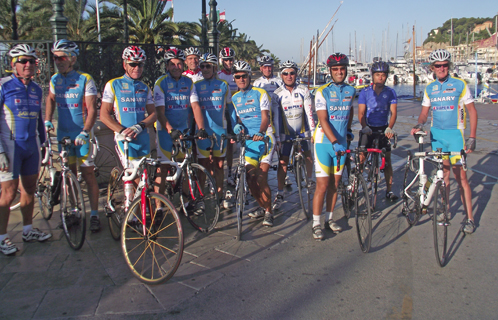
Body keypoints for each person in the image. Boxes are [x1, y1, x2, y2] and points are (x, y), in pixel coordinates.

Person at [410, 49, 478, 234]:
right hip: (437, 136)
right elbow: (425, 112)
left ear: (449, 66)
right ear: (432, 67)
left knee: (461, 177)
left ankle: (470, 218)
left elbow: (472, 112)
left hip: (455, 136)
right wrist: (419, 124)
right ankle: (445, 210)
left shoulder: (459, 84)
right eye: (438, 66)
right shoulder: (430, 88)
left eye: (445, 65)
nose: (442, 68)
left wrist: (472, 138)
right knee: (444, 176)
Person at [45, 40, 100, 232]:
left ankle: (94, 214)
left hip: (81, 133)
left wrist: (86, 131)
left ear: (73, 59)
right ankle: (75, 211)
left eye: (62, 57)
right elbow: (50, 99)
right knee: (69, 175)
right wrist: (48, 119)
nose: (58, 61)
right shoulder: (54, 79)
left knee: (88, 174)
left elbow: (92, 108)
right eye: (55, 57)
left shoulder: (85, 78)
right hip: (63, 134)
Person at [0, 44, 51, 255]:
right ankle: (2, 237)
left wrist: (45, 143)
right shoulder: (3, 86)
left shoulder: (37, 89)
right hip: (11, 146)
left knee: (30, 188)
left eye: (32, 61)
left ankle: (28, 230)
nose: (28, 64)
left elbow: (39, 119)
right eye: (23, 61)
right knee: (8, 193)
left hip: (31, 146)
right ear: (13, 65)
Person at [154, 48, 206, 213]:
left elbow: (195, 106)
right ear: (167, 66)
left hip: (183, 133)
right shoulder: (160, 83)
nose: (176, 67)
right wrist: (169, 129)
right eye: (172, 64)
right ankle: (159, 207)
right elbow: (160, 112)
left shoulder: (188, 83)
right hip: (165, 132)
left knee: (185, 168)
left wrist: (201, 128)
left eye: (179, 63)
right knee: (162, 169)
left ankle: (187, 202)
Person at [312, 53, 355, 241]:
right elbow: (323, 119)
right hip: (324, 143)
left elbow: (350, 110)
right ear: (330, 71)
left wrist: (348, 131)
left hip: (341, 143)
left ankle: (329, 219)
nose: (339, 72)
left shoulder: (351, 90)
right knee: (322, 185)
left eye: (342, 69)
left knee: (335, 185)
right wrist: (335, 142)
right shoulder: (322, 91)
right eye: (336, 69)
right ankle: (316, 223)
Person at [229, 61, 275, 227]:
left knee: (261, 178)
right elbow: (240, 117)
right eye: (238, 77)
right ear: (234, 78)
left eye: (244, 76)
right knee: (250, 178)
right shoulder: (234, 97)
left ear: (250, 76)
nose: (241, 79)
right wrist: (238, 126)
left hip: (265, 138)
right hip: (249, 140)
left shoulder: (260, 93)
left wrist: (261, 132)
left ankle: (269, 211)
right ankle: (262, 206)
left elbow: (265, 117)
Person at [100, 46, 157, 172]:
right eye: (133, 64)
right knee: (133, 175)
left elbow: (154, 114)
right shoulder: (113, 84)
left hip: (142, 137)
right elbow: (104, 115)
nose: (137, 68)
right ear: (124, 65)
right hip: (124, 138)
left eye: (140, 65)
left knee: (144, 177)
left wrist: (140, 126)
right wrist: (122, 131)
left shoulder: (145, 87)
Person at [272, 60, 315, 210]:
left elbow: (309, 113)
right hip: (285, 133)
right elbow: (276, 117)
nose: (289, 76)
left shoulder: (304, 90)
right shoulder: (277, 94)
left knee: (308, 155)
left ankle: (309, 180)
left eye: (292, 73)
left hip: (302, 130)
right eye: (285, 73)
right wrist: (277, 137)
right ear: (281, 75)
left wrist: (313, 132)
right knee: (283, 163)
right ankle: (279, 192)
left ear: (296, 74)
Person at [193, 53, 232, 208]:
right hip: (202, 132)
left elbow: (230, 109)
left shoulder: (223, 85)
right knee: (202, 166)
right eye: (202, 66)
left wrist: (233, 129)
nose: (204, 69)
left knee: (219, 165)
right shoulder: (196, 86)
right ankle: (201, 198)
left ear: (215, 68)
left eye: (208, 66)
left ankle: (220, 196)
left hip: (219, 132)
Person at [358, 61, 398, 201]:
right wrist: (364, 127)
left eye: (383, 75)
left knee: (387, 161)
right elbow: (361, 114)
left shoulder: (391, 92)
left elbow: (393, 113)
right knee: (361, 157)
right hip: (368, 127)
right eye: (377, 75)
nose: (380, 77)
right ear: (372, 76)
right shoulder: (365, 92)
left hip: (383, 129)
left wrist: (390, 128)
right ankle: (355, 185)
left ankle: (389, 191)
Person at [253, 55, 286, 184]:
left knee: (280, 145)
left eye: (269, 67)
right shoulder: (257, 83)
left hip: (277, 114)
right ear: (261, 68)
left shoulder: (278, 81)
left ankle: (284, 173)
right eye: (265, 67)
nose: (267, 69)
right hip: (264, 116)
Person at [217, 47, 237, 186]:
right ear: (221, 61)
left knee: (230, 146)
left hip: (236, 113)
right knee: (219, 146)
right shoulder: (218, 75)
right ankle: (217, 174)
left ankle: (229, 172)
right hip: (223, 113)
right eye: (226, 60)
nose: (229, 62)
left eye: (230, 60)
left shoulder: (238, 75)